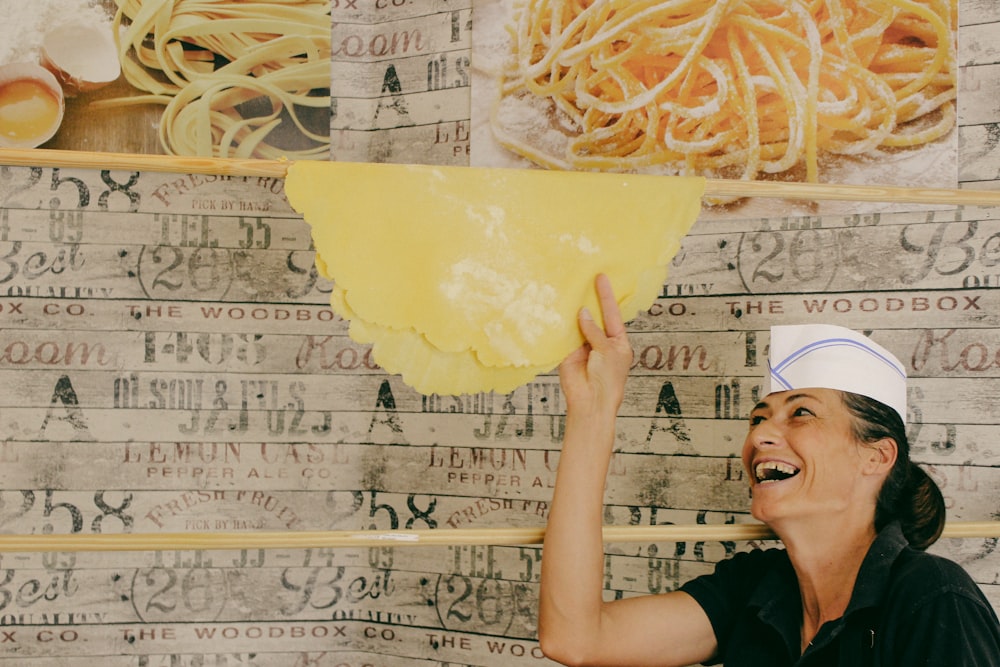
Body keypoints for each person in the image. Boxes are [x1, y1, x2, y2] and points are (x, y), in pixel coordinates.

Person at [538, 274, 1000, 667]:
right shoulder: (756, 587)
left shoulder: (932, 597)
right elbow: (576, 639)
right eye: (759, 418)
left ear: (876, 457)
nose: (759, 436)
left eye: (801, 414)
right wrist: (592, 410)